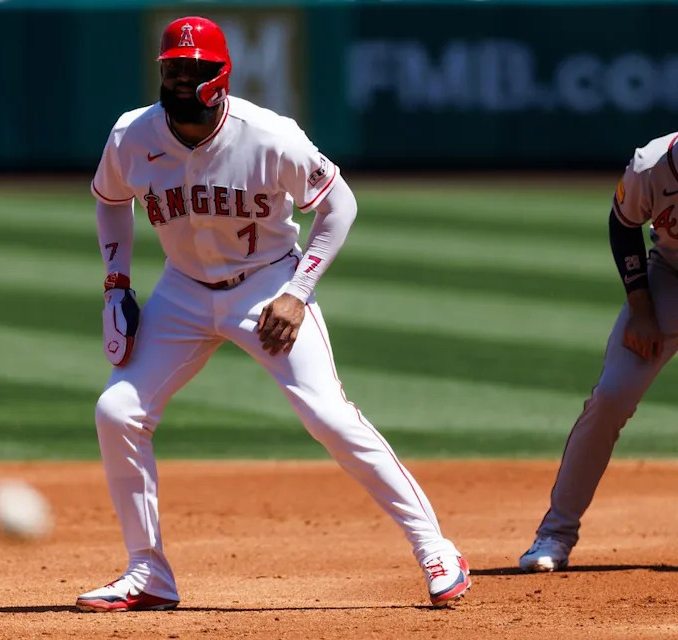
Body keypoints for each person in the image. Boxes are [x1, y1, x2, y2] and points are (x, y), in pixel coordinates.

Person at [76, 15, 471, 611]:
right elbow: (110, 201)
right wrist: (115, 286)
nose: (184, 80)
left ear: (221, 76)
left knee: (328, 416)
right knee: (117, 411)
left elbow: (339, 205)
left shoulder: (270, 135)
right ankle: (148, 573)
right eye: (174, 69)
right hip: (181, 290)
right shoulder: (133, 135)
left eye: (196, 70)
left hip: (266, 284)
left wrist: (299, 291)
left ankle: (436, 548)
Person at [519, 132, 678, 572]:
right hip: (670, 280)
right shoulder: (651, 165)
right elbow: (623, 225)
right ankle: (554, 534)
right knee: (611, 397)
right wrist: (642, 310)